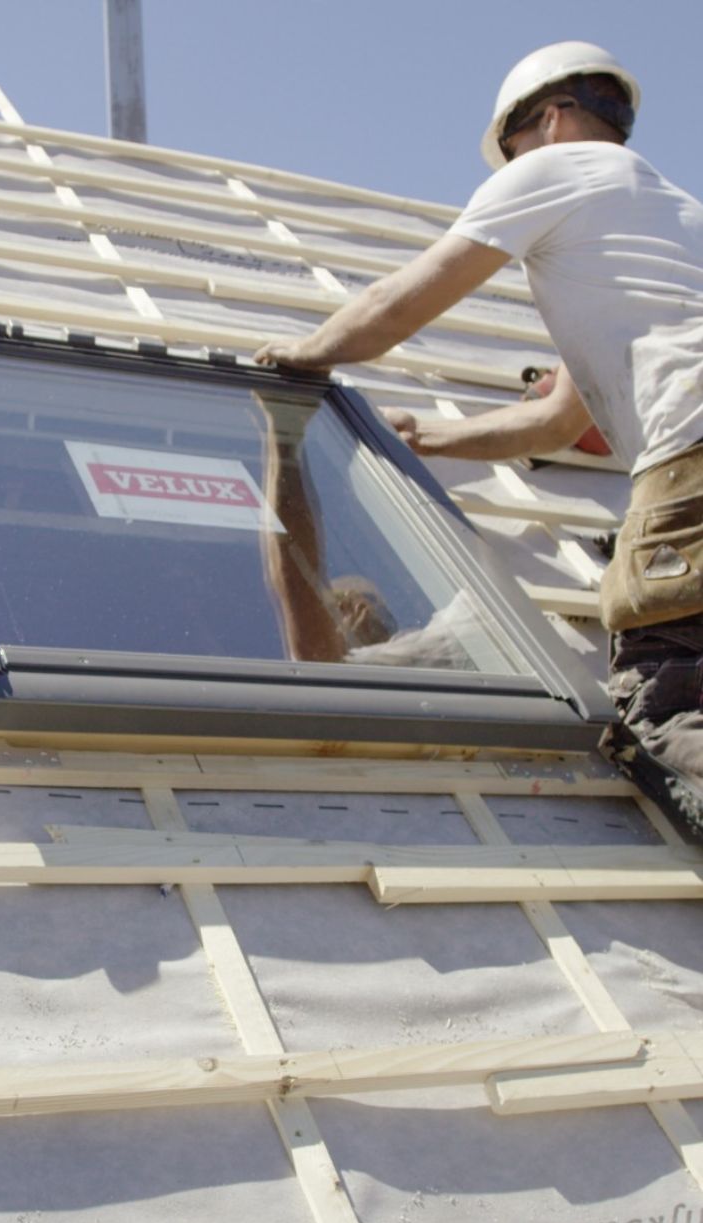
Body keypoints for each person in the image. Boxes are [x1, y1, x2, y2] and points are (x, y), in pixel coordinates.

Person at [254, 42, 703, 830]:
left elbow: (404, 300)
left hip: (691, 457)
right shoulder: (665, 217)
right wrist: (429, 436)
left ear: (553, 118)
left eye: (513, 149)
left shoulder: (557, 170)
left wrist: (306, 357)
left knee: (665, 702)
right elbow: (561, 419)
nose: (511, 167)